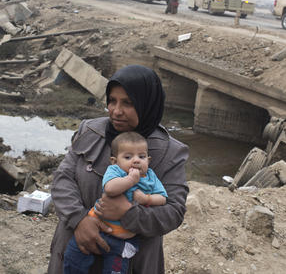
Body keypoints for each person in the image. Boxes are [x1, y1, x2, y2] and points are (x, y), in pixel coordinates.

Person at [48, 64, 189, 274]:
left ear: (147, 104)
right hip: (76, 249)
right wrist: (80, 221)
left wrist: (129, 213)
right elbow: (63, 179)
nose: (116, 111)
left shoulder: (170, 152)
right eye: (112, 101)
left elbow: (173, 212)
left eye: (128, 103)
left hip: (130, 262)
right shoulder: (90, 131)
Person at [63, 131, 168, 273]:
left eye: (141, 156)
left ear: (148, 160)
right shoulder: (115, 171)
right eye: (128, 157)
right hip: (97, 228)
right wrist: (130, 180)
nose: (136, 160)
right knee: (75, 258)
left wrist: (147, 199)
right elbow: (110, 189)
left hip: (124, 239)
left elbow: (162, 198)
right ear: (115, 160)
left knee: (117, 268)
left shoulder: (151, 177)